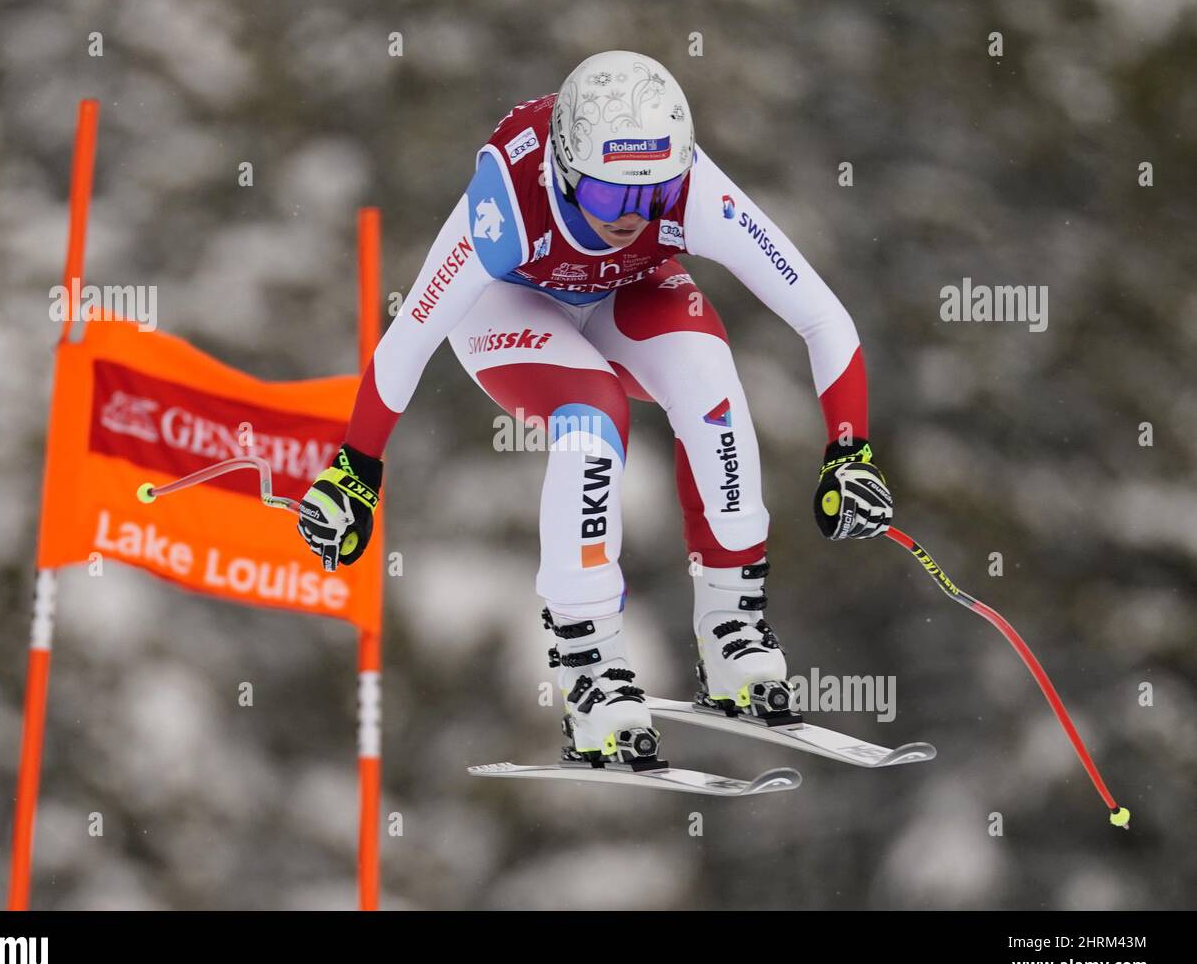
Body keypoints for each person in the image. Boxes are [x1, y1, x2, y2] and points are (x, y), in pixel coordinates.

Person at [297, 50, 893, 768]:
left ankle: (733, 632)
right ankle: (588, 669)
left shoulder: (688, 189)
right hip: (510, 307)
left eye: (656, 198)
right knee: (592, 412)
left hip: (623, 294)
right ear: (565, 171)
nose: (633, 217)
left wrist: (848, 451)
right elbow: (408, 340)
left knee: (712, 380)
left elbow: (822, 316)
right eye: (612, 200)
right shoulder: (509, 196)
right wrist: (355, 471)